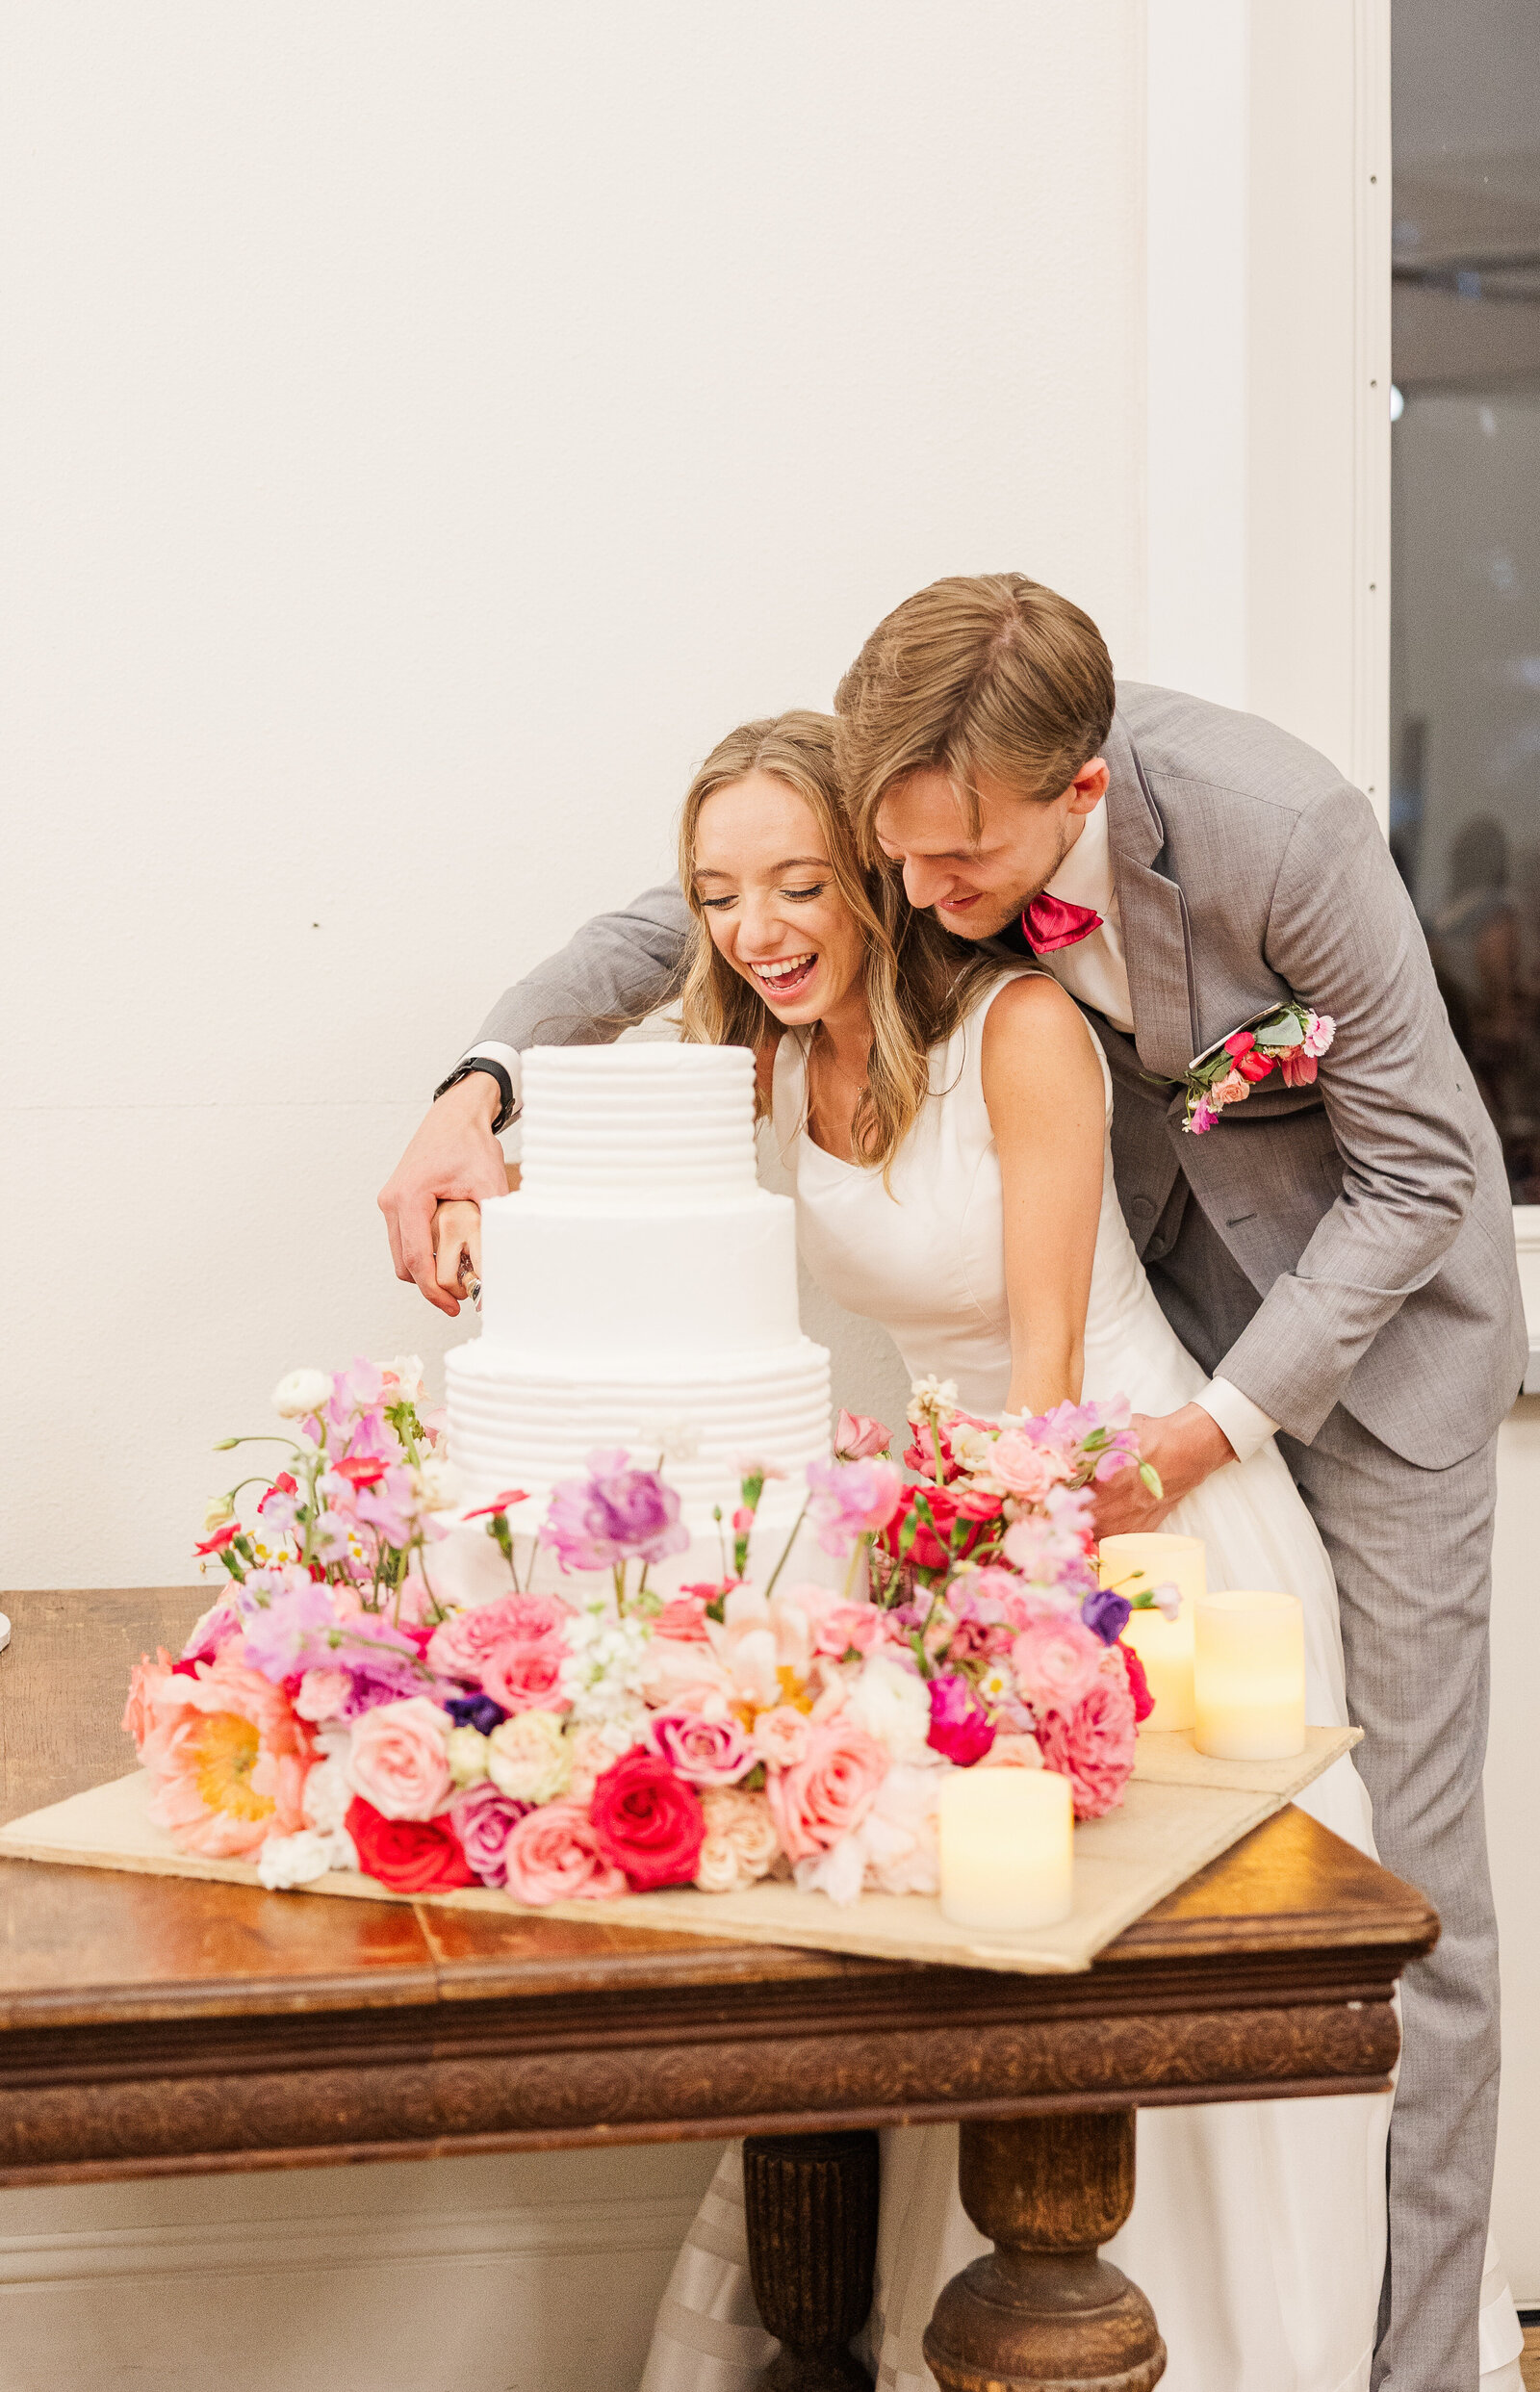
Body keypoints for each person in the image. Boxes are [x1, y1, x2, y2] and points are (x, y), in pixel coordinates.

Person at [380, 577, 1527, 2392]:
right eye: (891, 858)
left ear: (1078, 790)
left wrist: (1205, 1433)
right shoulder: (903, 825)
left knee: (1401, 1904)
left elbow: (1417, 1180)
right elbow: (676, 916)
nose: (921, 898)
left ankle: (1417, 2371)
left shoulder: (1279, 831)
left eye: (958, 865)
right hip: (1112, 1355)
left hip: (1369, 1357)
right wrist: (475, 1086)